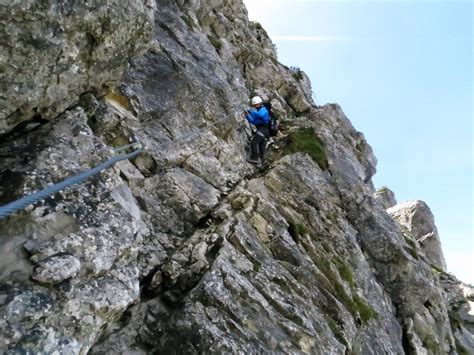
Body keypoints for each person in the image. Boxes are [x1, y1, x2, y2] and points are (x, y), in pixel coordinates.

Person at [244, 96, 270, 165]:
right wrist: (247, 116)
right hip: (265, 131)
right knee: (262, 146)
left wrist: (250, 111)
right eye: (255, 105)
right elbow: (254, 121)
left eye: (257, 104)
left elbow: (260, 115)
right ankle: (264, 162)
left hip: (264, 130)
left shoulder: (264, 110)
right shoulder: (259, 112)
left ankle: (255, 158)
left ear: (260, 103)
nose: (256, 106)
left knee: (254, 142)